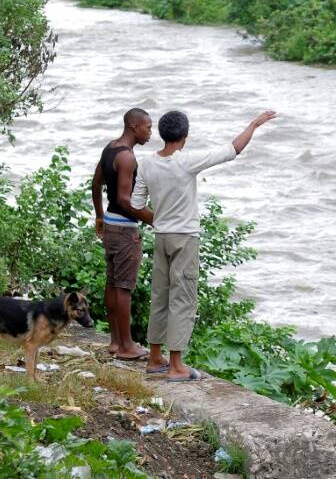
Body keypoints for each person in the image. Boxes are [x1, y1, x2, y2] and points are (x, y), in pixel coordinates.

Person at [131, 109, 277, 380]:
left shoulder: (147, 163)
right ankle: (176, 366)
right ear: (184, 137)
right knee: (183, 298)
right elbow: (232, 149)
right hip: (185, 238)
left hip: (161, 237)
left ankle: (154, 358)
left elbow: (137, 204)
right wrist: (254, 124)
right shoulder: (186, 162)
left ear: (162, 135)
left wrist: (160, 220)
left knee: (160, 296)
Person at [92, 108, 154, 360]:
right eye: (147, 127)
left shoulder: (110, 148)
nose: (150, 132)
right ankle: (128, 346)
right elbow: (125, 200)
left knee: (113, 282)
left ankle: (116, 342)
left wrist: (99, 216)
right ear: (132, 126)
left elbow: (96, 183)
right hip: (125, 229)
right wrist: (154, 219)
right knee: (124, 286)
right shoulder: (127, 158)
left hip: (110, 224)